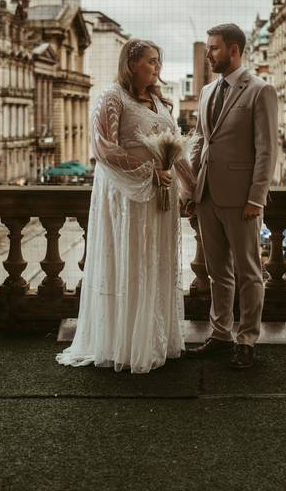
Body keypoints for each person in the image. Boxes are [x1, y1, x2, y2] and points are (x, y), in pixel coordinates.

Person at [56, 39, 195, 374]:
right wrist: (150, 171)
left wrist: (192, 187)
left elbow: (173, 150)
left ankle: (153, 338)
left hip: (161, 200)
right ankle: (126, 343)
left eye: (159, 61)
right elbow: (104, 150)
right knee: (131, 261)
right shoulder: (112, 96)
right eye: (150, 61)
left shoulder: (161, 101)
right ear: (131, 63)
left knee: (156, 262)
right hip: (128, 198)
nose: (157, 67)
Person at [184, 23, 278, 369]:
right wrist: (191, 190)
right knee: (216, 272)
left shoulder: (260, 91)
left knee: (249, 272)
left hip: (242, 201)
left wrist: (256, 197)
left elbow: (267, 150)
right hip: (207, 196)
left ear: (234, 50)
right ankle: (221, 333)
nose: (209, 54)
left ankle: (248, 339)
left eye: (215, 48)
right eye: (208, 48)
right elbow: (199, 144)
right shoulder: (208, 91)